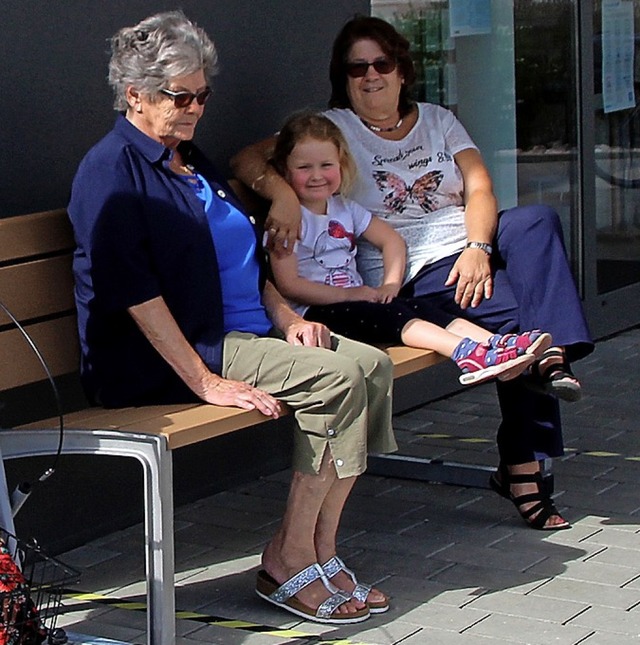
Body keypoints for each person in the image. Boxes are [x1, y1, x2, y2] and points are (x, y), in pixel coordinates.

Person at [67, 11, 397, 624]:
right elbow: (134, 293)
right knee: (336, 377)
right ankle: (287, 557)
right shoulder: (112, 171)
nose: (194, 108)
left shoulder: (190, 160)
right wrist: (204, 380)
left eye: (202, 94)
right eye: (179, 96)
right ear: (134, 94)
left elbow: (244, 259)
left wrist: (284, 313)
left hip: (246, 329)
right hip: (178, 353)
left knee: (373, 367)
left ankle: (321, 548)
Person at [231, 16, 595, 530]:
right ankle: (524, 459)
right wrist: (284, 194)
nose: (370, 75)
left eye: (381, 63)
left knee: (536, 220)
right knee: (523, 320)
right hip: (416, 272)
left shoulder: (439, 120)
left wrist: (477, 246)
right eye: (357, 68)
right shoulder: (333, 127)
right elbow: (246, 158)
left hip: (469, 248)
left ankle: (550, 361)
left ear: (402, 69)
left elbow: (481, 187)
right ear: (344, 77)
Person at [269, 110, 553, 386]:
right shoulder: (287, 221)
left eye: (326, 165)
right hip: (316, 313)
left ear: (341, 165)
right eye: (304, 167)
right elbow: (289, 285)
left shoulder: (345, 209)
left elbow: (391, 240)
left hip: (360, 302)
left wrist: (390, 284)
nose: (317, 175)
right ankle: (465, 354)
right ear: (285, 170)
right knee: (396, 315)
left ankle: (495, 344)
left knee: (423, 307)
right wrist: (349, 293)